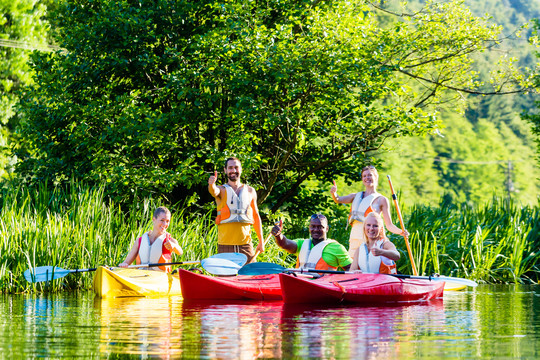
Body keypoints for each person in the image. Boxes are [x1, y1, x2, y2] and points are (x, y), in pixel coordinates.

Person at [330, 165, 409, 257]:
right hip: (354, 236)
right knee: (352, 265)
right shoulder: (355, 196)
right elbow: (338, 199)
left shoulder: (381, 199)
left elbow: (389, 225)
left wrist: (401, 232)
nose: (367, 178)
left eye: (370, 175)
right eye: (364, 176)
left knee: (366, 264)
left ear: (375, 177)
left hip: (369, 237)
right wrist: (334, 193)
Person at [208, 157, 264, 263]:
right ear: (225, 170)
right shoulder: (221, 190)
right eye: (230, 168)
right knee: (225, 279)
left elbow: (256, 216)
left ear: (241, 169)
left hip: (246, 246)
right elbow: (213, 191)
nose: (233, 171)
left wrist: (261, 241)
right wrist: (211, 185)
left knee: (250, 277)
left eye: (236, 167)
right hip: (225, 246)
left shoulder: (250, 191)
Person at [270, 214, 352, 271]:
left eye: (320, 227)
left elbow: (350, 268)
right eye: (313, 226)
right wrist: (278, 235)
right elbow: (285, 244)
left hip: (323, 287)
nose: (316, 229)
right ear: (309, 227)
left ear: (327, 229)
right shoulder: (301, 243)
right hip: (300, 283)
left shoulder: (336, 247)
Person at [119, 206, 183, 272]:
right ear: (154, 219)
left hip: (160, 278)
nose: (165, 224)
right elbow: (126, 262)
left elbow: (180, 252)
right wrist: (123, 265)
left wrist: (174, 246)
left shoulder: (170, 241)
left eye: (167, 221)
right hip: (140, 277)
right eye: (162, 220)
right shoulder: (140, 241)